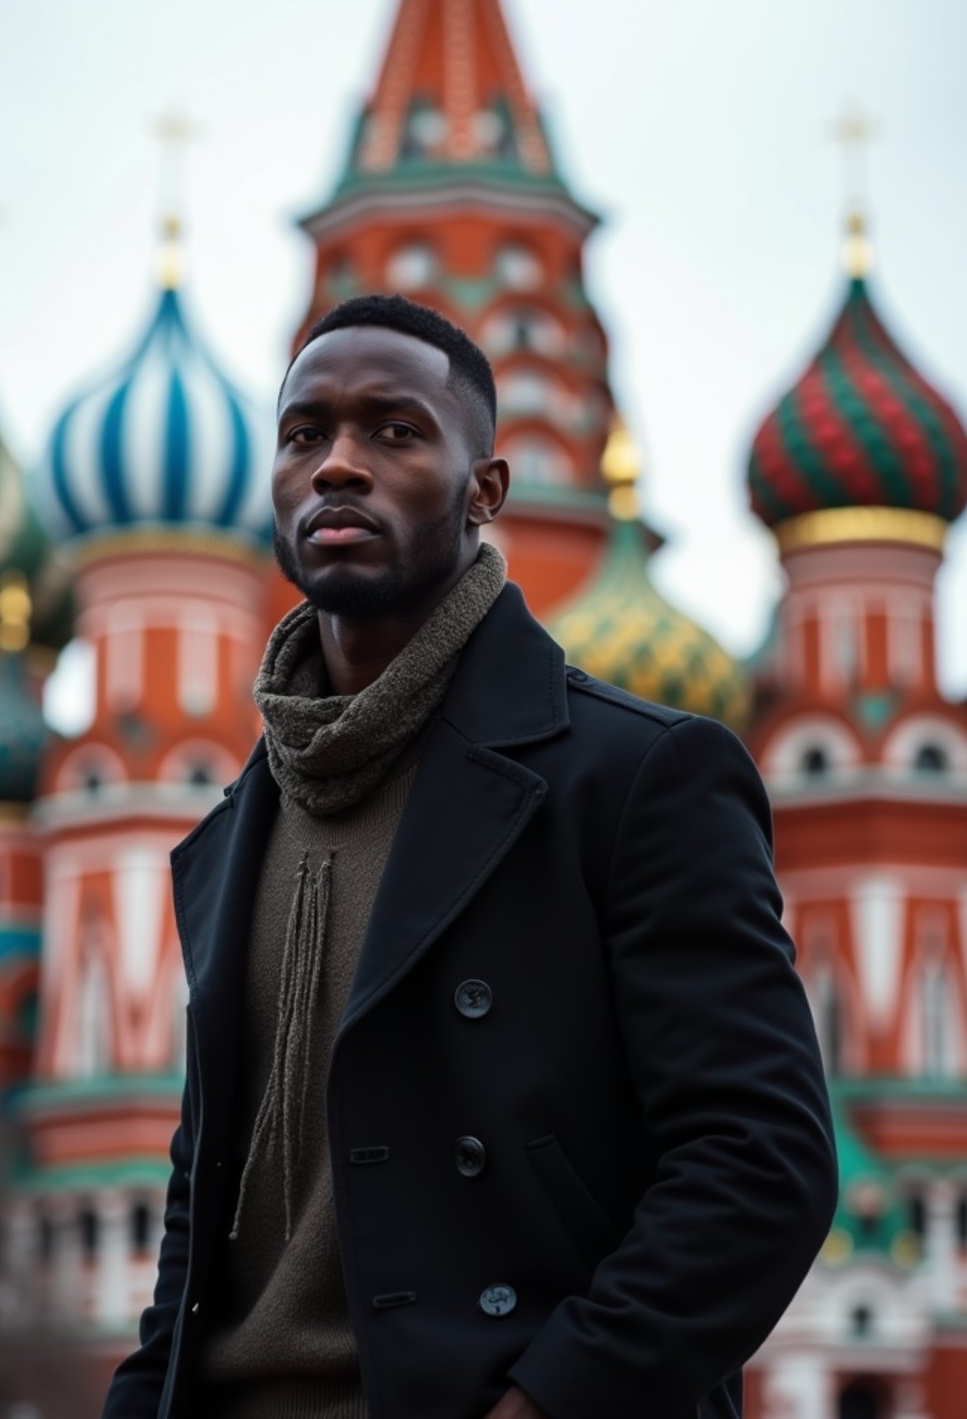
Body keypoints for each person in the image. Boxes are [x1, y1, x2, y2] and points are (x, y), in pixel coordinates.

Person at [102, 294, 837, 1419]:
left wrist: (548, 1404)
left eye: (393, 431)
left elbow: (758, 1163)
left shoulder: (633, 776)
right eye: (305, 436)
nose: (337, 465)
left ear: (484, 491)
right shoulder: (229, 830)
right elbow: (205, 1227)